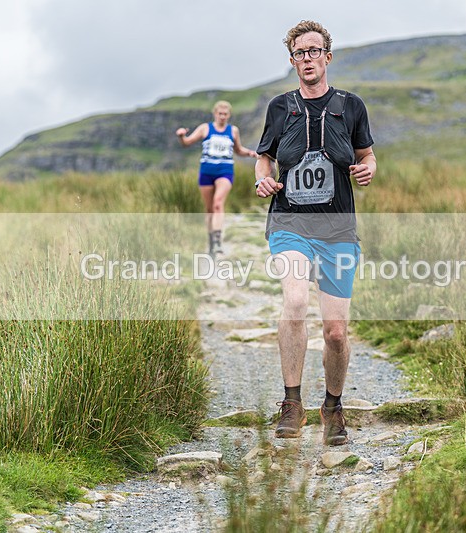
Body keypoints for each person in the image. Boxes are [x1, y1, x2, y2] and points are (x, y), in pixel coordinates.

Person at [255, 20, 376, 446]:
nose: (307, 58)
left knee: (336, 332)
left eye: (314, 50)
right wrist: (262, 180)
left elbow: (367, 154)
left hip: (338, 229)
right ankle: (291, 403)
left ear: (328, 56)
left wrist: (367, 170)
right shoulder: (280, 108)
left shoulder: (351, 106)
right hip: (290, 225)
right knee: (295, 299)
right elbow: (264, 159)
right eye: (299, 53)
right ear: (292, 62)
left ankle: (333, 406)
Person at [176, 101, 257, 256]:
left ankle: (218, 240)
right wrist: (181, 136)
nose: (222, 116)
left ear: (229, 115)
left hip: (225, 171)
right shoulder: (205, 128)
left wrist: (250, 153)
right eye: (220, 113)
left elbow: (238, 150)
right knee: (209, 210)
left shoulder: (233, 131)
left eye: (225, 114)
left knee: (218, 203)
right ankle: (211, 242)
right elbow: (187, 143)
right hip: (206, 172)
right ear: (215, 113)